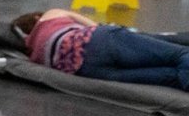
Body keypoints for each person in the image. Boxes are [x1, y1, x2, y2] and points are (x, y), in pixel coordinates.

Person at [13, 9, 189, 91]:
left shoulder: (33, 54)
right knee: (180, 54)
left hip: (90, 71)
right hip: (97, 41)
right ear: (36, 17)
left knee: (171, 76)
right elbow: (92, 25)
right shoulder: (49, 15)